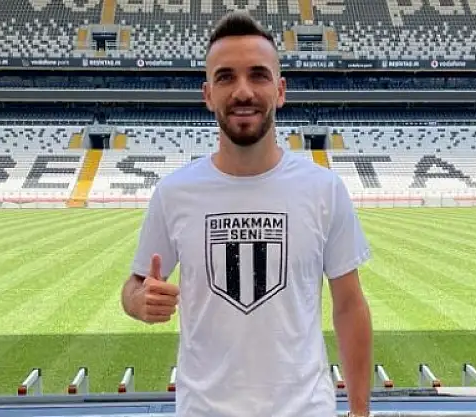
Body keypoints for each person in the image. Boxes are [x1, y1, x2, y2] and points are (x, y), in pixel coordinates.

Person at [121, 10, 373, 417]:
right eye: (226, 77)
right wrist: (140, 301)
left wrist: (360, 412)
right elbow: (134, 286)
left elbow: (349, 306)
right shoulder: (174, 193)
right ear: (207, 95)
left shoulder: (324, 189)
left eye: (258, 75)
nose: (243, 91)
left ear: (280, 90)